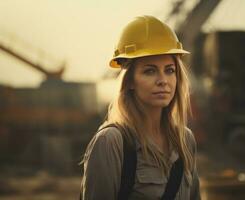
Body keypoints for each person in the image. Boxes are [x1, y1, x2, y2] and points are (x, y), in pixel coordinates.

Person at [80, 15, 201, 200]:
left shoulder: (185, 140)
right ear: (129, 81)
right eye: (150, 71)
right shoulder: (111, 142)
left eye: (169, 70)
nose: (163, 81)